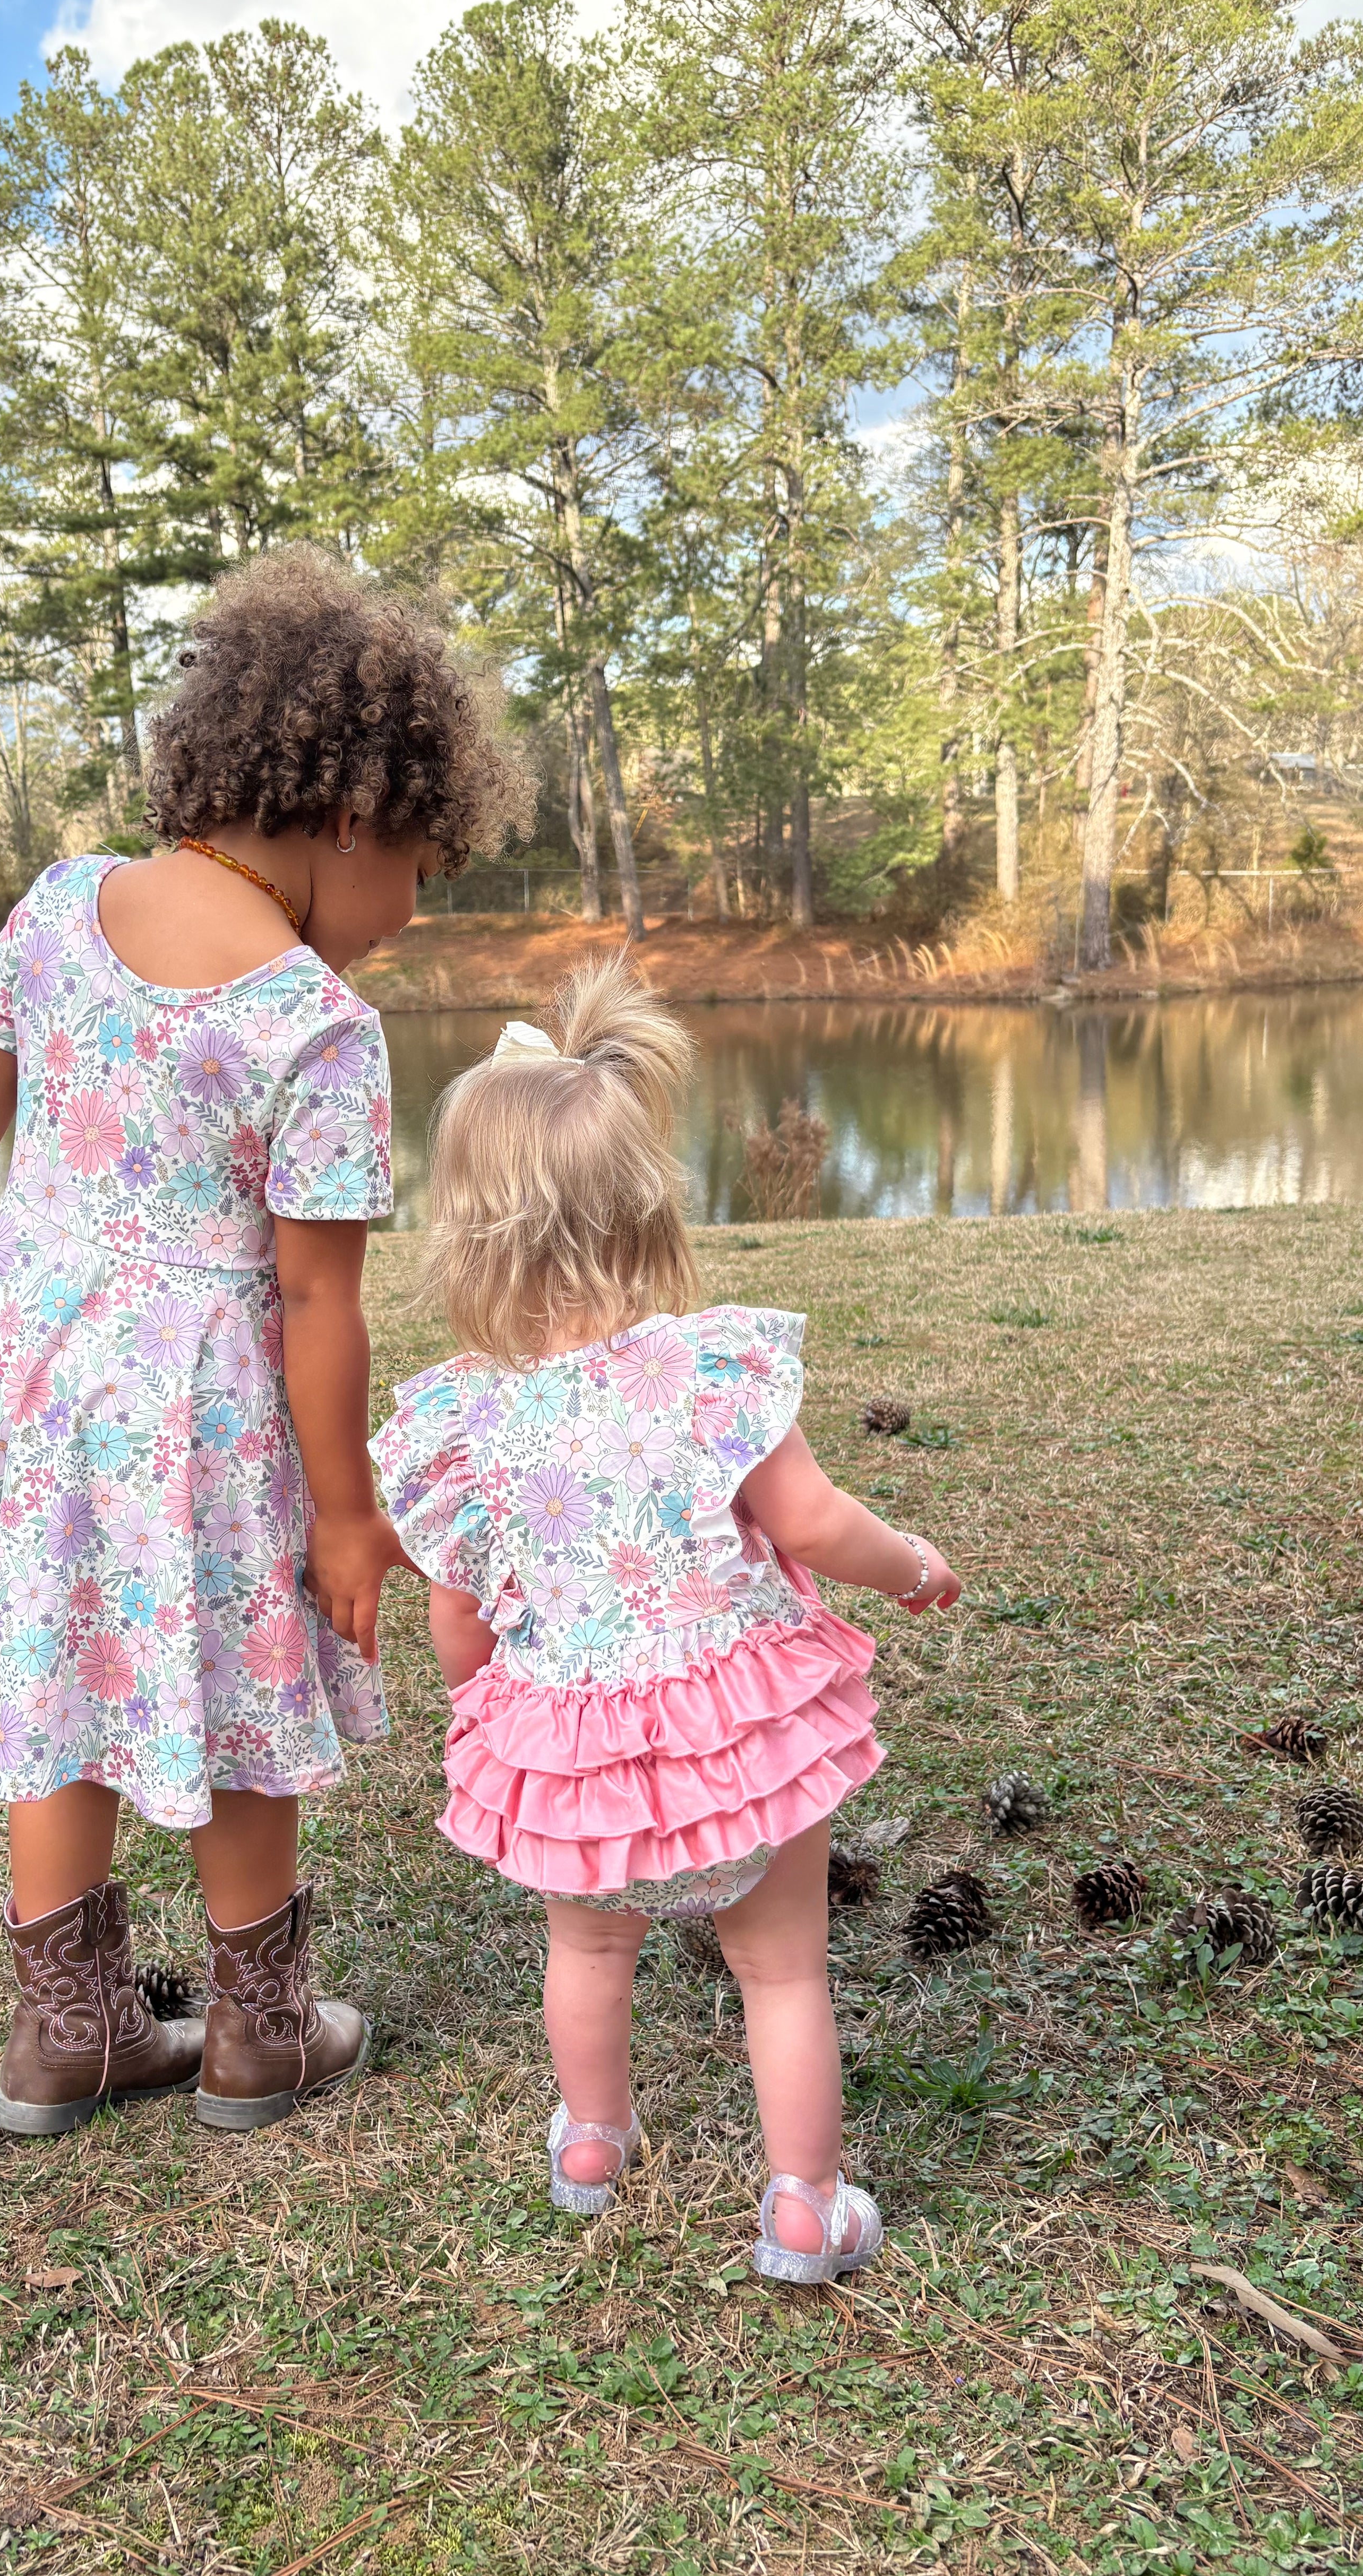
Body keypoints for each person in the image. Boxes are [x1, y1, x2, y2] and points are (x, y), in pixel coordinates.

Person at [0, 547, 526, 2138]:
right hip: (205, 1413)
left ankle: (70, 2036)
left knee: (59, 1679)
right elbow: (317, 1299)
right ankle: (259, 2032)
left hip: (32, 1375)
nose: (410, 916)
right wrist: (352, 1512)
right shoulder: (313, 1025)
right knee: (239, 1694)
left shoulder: (58, 910)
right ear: (356, 817)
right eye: (424, 870)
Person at [370, 967, 962, 2280]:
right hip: (737, 1737)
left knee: (586, 1947)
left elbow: (456, 1621)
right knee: (782, 1971)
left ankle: (591, 2139)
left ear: (466, 1235)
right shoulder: (709, 1372)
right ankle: (804, 2204)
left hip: (575, 1757)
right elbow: (812, 1525)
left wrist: (490, 1694)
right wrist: (911, 1564)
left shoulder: (465, 1421)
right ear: (649, 1211)